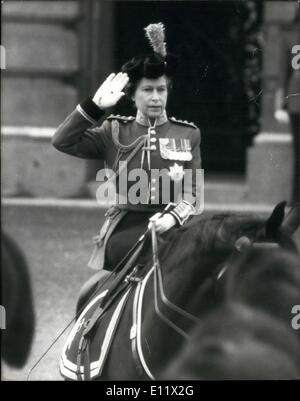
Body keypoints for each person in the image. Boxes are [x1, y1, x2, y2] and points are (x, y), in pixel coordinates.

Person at [52, 23, 201, 276]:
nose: (156, 97)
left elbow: (193, 191)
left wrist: (172, 218)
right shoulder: (113, 131)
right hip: (125, 228)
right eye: (147, 90)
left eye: (161, 90)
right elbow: (62, 140)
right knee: (139, 251)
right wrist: (94, 108)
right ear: (132, 96)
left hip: (171, 225)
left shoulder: (188, 133)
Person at [275, 10, 300, 203]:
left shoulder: (290, 35)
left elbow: (283, 74)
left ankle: (296, 198)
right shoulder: (290, 35)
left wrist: (279, 106)